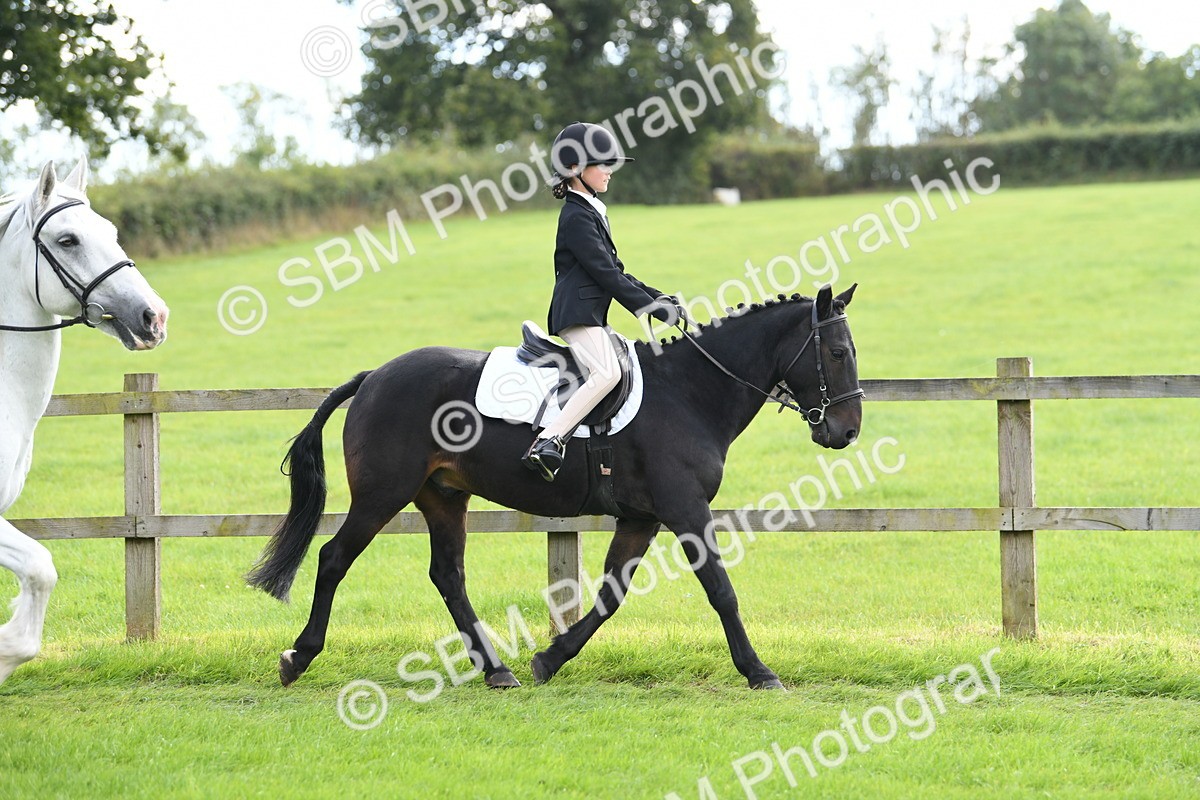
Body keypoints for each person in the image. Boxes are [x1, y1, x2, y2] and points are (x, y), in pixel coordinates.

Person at [521, 121, 682, 481]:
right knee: (607, 372)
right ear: (575, 169)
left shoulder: (591, 210)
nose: (610, 171)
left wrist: (658, 298)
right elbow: (606, 276)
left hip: (591, 313)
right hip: (576, 315)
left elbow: (618, 270)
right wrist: (649, 309)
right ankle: (548, 442)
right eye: (602, 164)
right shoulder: (577, 217)